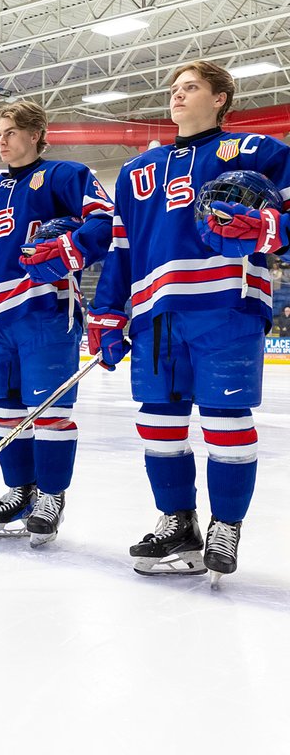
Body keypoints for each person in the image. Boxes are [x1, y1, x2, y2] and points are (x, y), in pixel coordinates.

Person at [90, 60, 290, 580]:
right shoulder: (137, 171)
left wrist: (269, 226)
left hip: (226, 303)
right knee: (158, 423)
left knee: (225, 419)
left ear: (221, 98)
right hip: (155, 312)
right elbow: (121, 248)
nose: (177, 96)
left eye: (191, 88)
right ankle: (177, 520)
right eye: (174, 89)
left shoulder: (256, 151)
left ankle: (227, 523)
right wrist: (108, 311)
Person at [0, 100, 112, 545]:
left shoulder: (66, 175)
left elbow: (104, 224)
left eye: (9, 132)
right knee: (4, 410)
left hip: (46, 308)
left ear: (36, 133)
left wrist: (71, 249)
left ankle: (51, 495)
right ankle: (20, 488)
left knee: (50, 412)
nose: (0, 141)